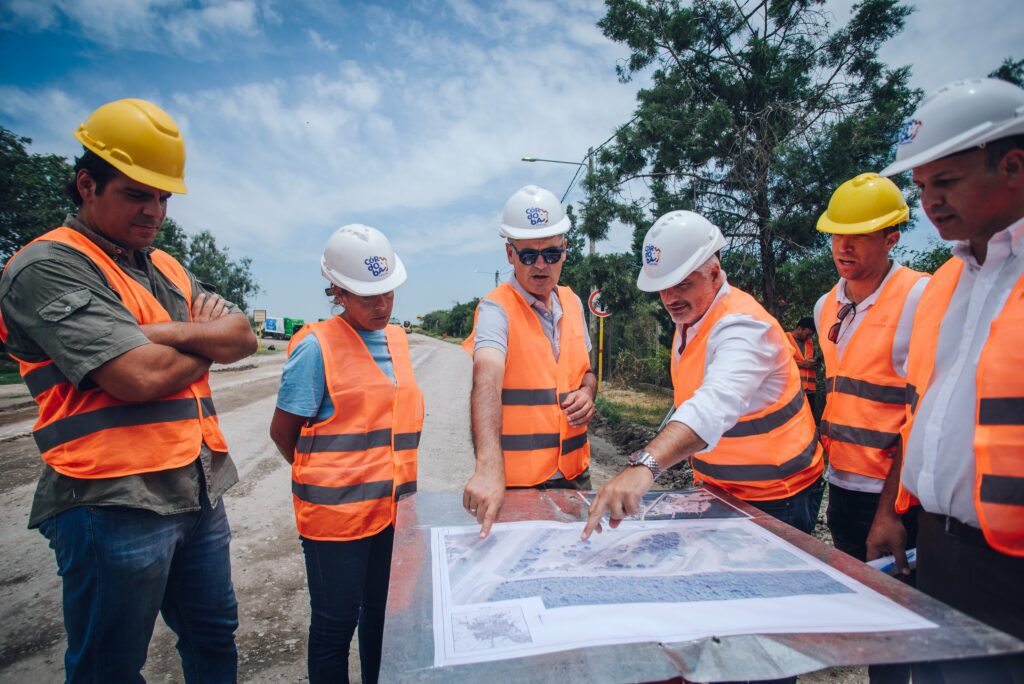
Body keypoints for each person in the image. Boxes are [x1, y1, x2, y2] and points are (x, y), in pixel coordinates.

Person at [0, 98, 256, 682]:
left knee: (215, 640)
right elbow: (135, 377)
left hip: (197, 489)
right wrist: (201, 341)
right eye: (138, 194)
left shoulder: (163, 265)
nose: (155, 211)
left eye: (164, 197)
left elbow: (240, 336)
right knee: (109, 666)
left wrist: (155, 334)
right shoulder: (45, 266)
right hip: (112, 501)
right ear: (87, 184)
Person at [879, 77, 1024, 680]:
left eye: (946, 182)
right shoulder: (941, 285)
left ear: (1012, 166)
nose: (929, 203)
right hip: (934, 547)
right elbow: (921, 417)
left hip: (1010, 571)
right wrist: (892, 511)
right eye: (920, 187)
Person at [583, 210, 824, 540]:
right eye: (662, 287)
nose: (669, 298)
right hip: (719, 489)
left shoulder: (744, 326)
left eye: (682, 284)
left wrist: (646, 465)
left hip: (777, 496)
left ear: (714, 274)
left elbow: (713, 404)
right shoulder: (692, 318)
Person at [269, 224, 422, 684]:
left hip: (393, 512)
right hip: (335, 522)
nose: (380, 305)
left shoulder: (397, 340)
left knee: (383, 617)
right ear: (336, 289)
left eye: (387, 293)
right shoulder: (316, 347)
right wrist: (331, 478)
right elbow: (283, 433)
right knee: (336, 626)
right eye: (365, 295)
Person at [813, 172, 928, 683]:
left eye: (860, 236)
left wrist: (891, 511)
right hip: (843, 488)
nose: (845, 246)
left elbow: (919, 417)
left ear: (891, 239)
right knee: (870, 620)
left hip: (898, 499)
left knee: (902, 630)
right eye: (838, 233)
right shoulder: (825, 306)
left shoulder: (919, 299)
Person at [462, 185, 597, 539]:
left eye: (552, 253)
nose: (541, 265)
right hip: (518, 485)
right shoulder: (496, 309)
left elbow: (587, 373)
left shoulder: (573, 303)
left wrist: (588, 392)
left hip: (574, 477)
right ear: (510, 253)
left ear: (565, 251)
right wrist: (489, 468)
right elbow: (486, 380)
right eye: (529, 255)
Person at [785, 316, 819, 419]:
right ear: (799, 329)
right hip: (793, 389)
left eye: (811, 335)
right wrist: (802, 364)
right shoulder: (785, 338)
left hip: (809, 390)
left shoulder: (809, 342)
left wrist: (813, 364)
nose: (809, 338)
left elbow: (808, 360)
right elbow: (781, 363)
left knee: (809, 419)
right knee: (794, 419)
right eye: (807, 334)